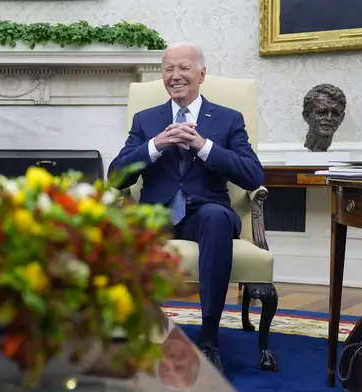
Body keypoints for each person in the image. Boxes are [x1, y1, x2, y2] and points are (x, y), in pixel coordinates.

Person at [108, 42, 264, 372]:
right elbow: (116, 177)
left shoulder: (227, 119)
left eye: (184, 68)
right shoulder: (146, 120)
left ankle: (209, 339)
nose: (175, 76)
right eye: (168, 69)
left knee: (215, 217)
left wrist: (203, 146)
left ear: (201, 74)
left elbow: (253, 175)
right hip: (156, 215)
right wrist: (155, 145)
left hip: (205, 214)